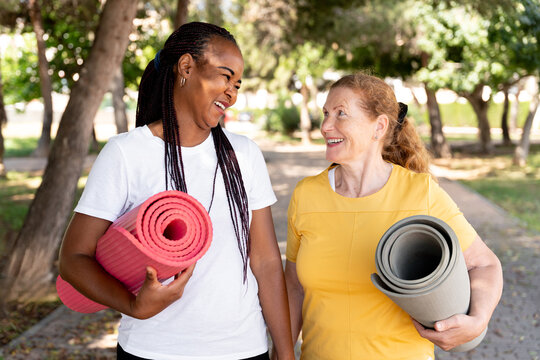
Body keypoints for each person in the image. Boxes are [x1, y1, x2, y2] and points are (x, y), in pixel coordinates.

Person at [59, 22, 294, 360]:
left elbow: (267, 262)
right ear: (186, 67)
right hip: (153, 350)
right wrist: (133, 305)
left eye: (237, 83)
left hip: (242, 348)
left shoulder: (244, 154)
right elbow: (73, 259)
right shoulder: (127, 153)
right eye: (225, 76)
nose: (232, 91)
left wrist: (285, 352)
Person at [285, 73, 503, 359]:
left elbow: (484, 264)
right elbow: (293, 287)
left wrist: (478, 320)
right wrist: (283, 351)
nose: (326, 126)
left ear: (379, 126)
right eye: (325, 113)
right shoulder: (306, 195)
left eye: (341, 114)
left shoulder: (419, 193)